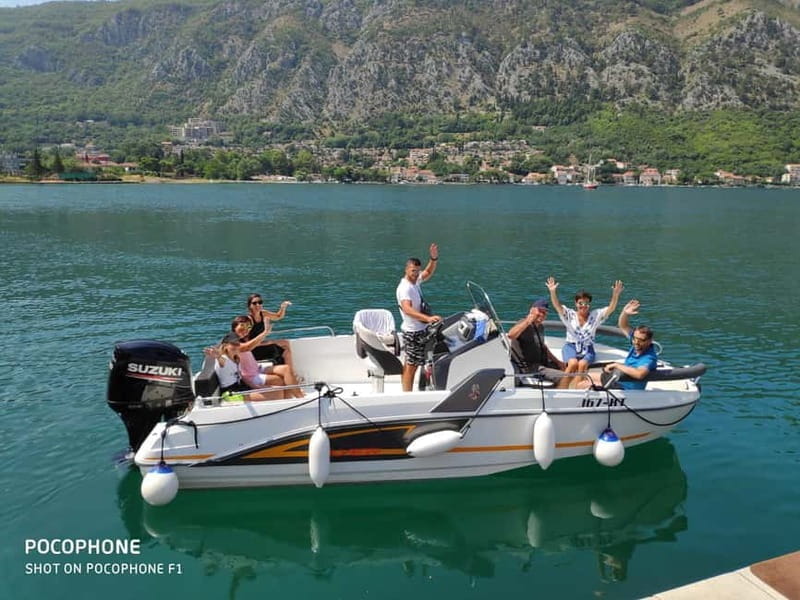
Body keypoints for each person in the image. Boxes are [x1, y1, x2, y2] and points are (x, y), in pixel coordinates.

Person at [546, 276, 624, 381]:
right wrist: (552, 292)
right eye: (580, 303)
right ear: (576, 303)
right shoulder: (569, 315)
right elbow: (557, 306)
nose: (583, 306)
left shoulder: (595, 315)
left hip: (588, 348)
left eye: (586, 303)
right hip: (571, 346)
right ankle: (563, 385)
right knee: (573, 363)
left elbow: (611, 308)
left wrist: (615, 295)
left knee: (582, 364)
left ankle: (577, 388)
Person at [396, 243, 441, 392]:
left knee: (411, 363)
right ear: (406, 269)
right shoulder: (405, 288)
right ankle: (406, 395)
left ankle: (407, 390)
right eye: (413, 271)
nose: (416, 273)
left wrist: (433, 258)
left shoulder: (415, 282)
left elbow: (428, 272)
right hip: (413, 332)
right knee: (411, 365)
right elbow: (407, 309)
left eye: (417, 270)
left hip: (421, 329)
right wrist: (427, 319)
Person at [232, 315, 304, 398]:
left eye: (248, 327)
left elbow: (252, 344)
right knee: (279, 380)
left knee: (286, 368)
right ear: (234, 326)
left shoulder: (243, 338)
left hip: (256, 368)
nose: (245, 329)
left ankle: (295, 396)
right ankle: (294, 398)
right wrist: (265, 332)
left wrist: (271, 339)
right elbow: (246, 347)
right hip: (251, 376)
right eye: (242, 326)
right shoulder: (233, 341)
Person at [598, 299, 658, 390]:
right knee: (583, 377)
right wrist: (624, 313)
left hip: (627, 390)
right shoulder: (636, 344)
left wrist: (617, 365)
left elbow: (640, 374)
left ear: (649, 341)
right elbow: (623, 325)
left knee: (584, 384)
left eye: (641, 340)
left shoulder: (648, 357)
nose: (636, 342)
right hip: (619, 380)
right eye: (634, 338)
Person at [203, 333, 283, 401]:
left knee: (278, 389)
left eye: (237, 344)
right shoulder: (224, 359)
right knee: (277, 394)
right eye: (233, 344)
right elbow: (220, 359)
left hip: (241, 387)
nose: (236, 346)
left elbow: (241, 376)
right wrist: (217, 356)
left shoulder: (236, 358)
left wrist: (256, 387)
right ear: (226, 345)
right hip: (230, 393)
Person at [507, 298, 565, 379]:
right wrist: (528, 321)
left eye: (544, 312)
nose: (542, 314)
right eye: (540, 311)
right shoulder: (523, 324)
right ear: (532, 310)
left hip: (542, 363)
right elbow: (511, 335)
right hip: (530, 368)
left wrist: (558, 362)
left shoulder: (540, 327)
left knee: (569, 369)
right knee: (564, 377)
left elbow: (543, 347)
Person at [245, 293, 294, 365]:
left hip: (261, 344)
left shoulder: (263, 313)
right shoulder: (249, 320)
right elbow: (247, 344)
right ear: (250, 306)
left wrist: (283, 307)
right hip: (253, 349)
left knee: (285, 343)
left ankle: (290, 372)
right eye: (254, 303)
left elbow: (278, 316)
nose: (258, 305)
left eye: (260, 302)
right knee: (278, 349)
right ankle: (285, 371)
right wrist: (269, 341)